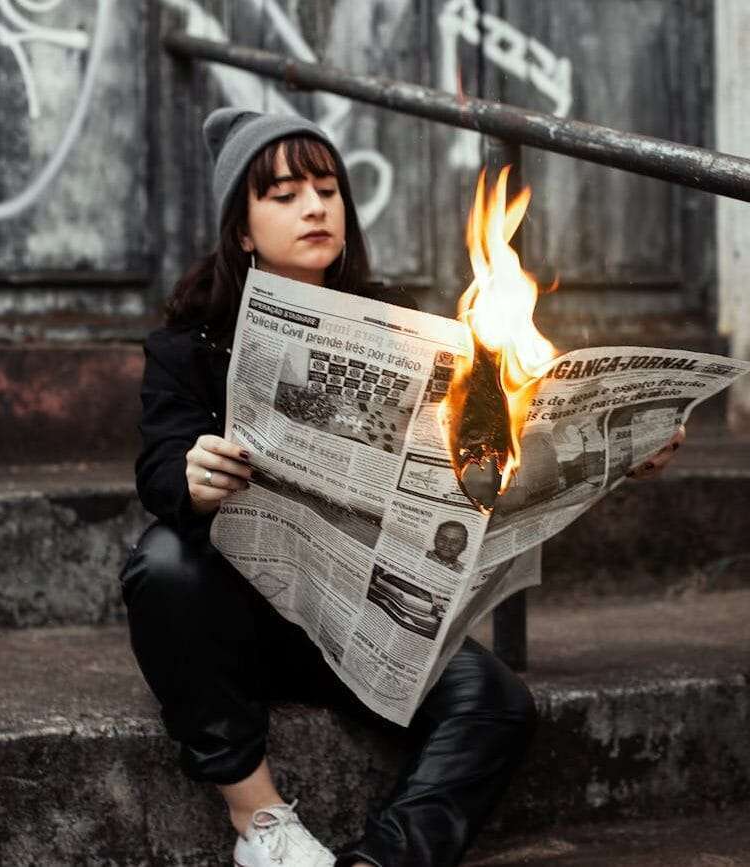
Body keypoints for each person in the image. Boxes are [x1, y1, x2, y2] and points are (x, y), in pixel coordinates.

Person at [119, 108, 685, 867]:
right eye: (283, 194)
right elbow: (158, 468)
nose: (315, 206)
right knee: (161, 564)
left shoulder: (399, 322)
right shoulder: (186, 347)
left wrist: (619, 453)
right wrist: (192, 474)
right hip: (240, 619)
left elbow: (484, 460)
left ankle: (383, 861)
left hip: (367, 620)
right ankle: (262, 825)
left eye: (326, 188)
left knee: (495, 702)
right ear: (243, 231)